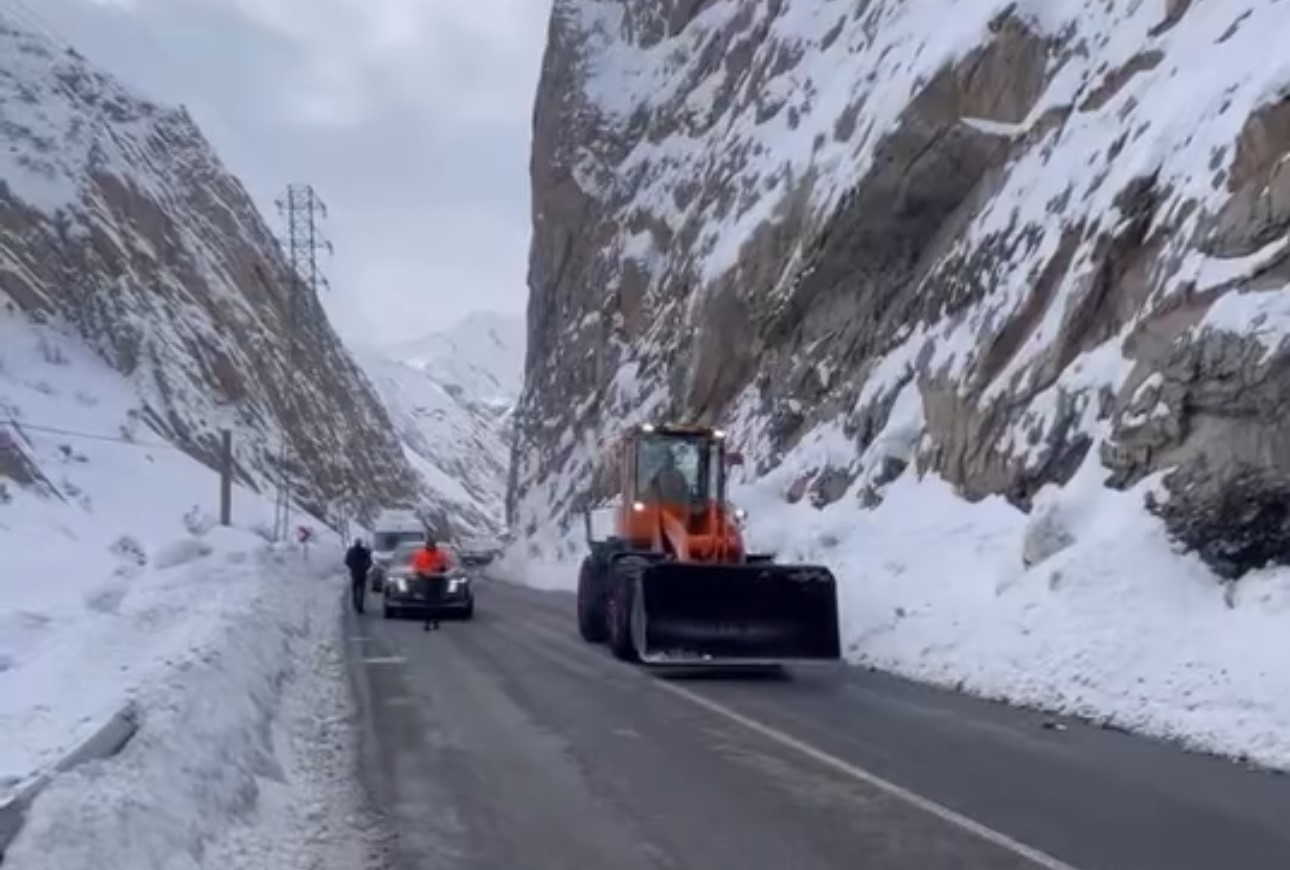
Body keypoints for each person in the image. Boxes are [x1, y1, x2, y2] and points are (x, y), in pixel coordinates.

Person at [411, 535, 450, 630]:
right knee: (428, 603)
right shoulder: (421, 555)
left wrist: (441, 569)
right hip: (426, 580)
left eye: (432, 545)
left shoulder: (441, 554)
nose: (431, 546)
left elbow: (445, 566)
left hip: (438, 580)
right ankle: (427, 622)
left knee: (437, 602)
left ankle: (435, 621)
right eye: (430, 545)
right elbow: (416, 567)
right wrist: (421, 574)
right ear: (427, 546)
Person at [344, 537, 372, 614]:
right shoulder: (364, 551)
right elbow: (370, 562)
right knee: (361, 590)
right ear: (360, 543)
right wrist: (365, 568)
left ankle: (355, 604)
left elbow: (346, 561)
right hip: (362, 573)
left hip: (355, 573)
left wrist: (352, 567)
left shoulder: (351, 551)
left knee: (355, 589)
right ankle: (360, 606)